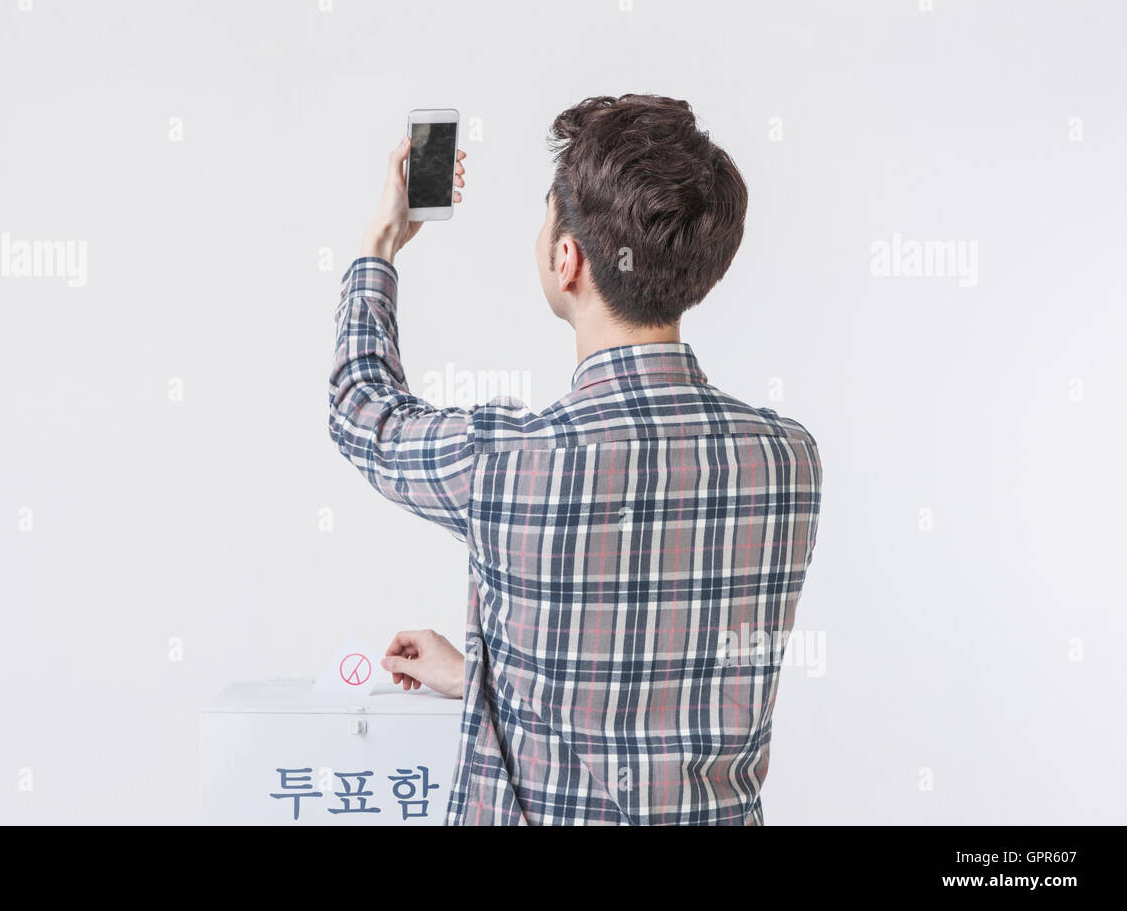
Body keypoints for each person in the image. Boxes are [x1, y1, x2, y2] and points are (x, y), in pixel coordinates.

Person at [328, 94, 823, 825]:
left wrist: (382, 241)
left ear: (568, 261)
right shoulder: (787, 464)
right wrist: (481, 680)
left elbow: (361, 409)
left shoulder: (505, 464)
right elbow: (653, 675)